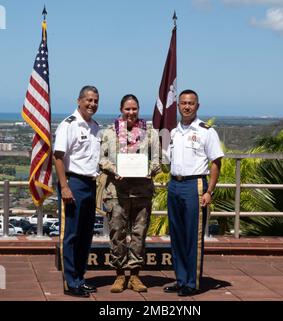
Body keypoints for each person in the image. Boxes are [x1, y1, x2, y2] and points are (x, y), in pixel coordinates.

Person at [163, 89, 224, 296]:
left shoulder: (207, 131)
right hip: (174, 185)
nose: (187, 106)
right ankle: (180, 279)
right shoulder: (173, 132)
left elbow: (216, 162)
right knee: (177, 235)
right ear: (178, 106)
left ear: (197, 106)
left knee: (193, 236)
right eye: (183, 103)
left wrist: (209, 191)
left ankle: (192, 282)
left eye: (191, 103)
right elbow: (165, 160)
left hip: (195, 186)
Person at [99, 94, 160, 293]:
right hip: (117, 192)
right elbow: (101, 159)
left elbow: (158, 160)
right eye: (127, 109)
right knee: (117, 233)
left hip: (142, 192)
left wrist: (149, 169)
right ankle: (119, 274)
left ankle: (134, 274)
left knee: (139, 234)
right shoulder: (109, 133)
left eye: (134, 109)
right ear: (121, 109)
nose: (131, 113)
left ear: (139, 109)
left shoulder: (151, 133)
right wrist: (114, 169)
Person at [53, 85, 101, 298]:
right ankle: (71, 283)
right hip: (73, 184)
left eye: (95, 101)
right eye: (88, 100)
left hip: (90, 184)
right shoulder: (68, 125)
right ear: (79, 101)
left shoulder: (95, 127)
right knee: (71, 235)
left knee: (85, 235)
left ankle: (80, 278)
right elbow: (58, 157)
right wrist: (64, 186)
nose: (92, 104)